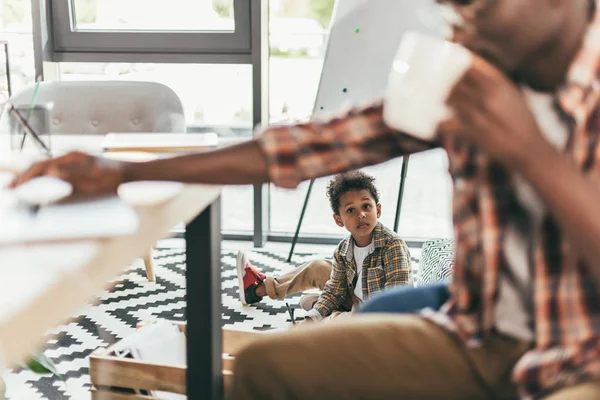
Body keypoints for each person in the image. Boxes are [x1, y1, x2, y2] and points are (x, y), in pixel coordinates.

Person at [10, 0, 600, 398]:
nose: (461, 28)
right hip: (477, 334)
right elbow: (305, 147)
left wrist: (529, 152)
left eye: (479, 8)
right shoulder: (472, 79)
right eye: (453, 9)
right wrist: (121, 172)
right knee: (269, 368)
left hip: (581, 356)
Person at [236, 171, 412, 322]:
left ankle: (331, 315)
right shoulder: (343, 250)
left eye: (366, 206)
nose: (361, 215)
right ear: (338, 220)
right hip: (355, 298)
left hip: (378, 314)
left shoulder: (392, 245)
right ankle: (257, 291)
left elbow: (395, 301)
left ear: (378, 210)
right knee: (318, 270)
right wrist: (314, 315)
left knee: (329, 320)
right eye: (351, 210)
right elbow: (334, 290)